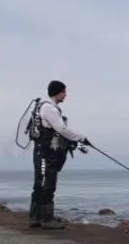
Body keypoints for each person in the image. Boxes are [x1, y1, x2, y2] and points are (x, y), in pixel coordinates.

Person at [27, 80, 89, 229]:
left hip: (40, 151)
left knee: (40, 184)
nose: (65, 95)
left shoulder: (42, 107)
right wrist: (81, 138)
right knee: (47, 184)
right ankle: (46, 220)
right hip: (46, 153)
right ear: (57, 92)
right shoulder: (49, 109)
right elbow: (61, 129)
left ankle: (35, 218)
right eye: (64, 92)